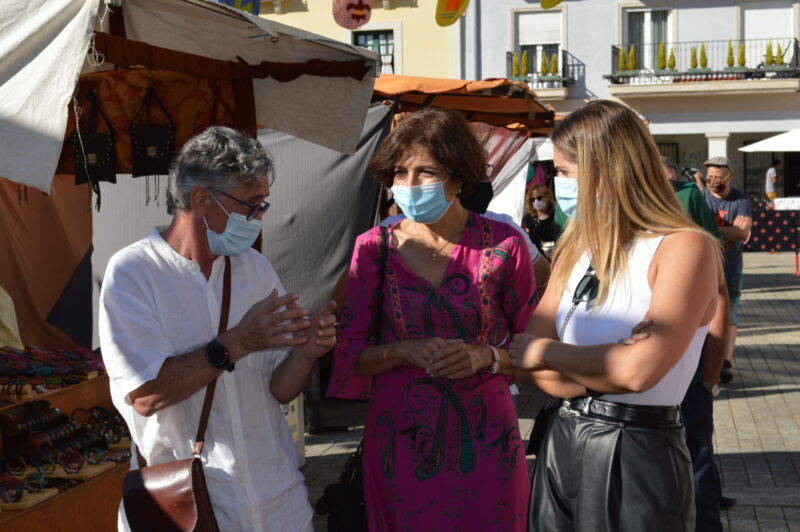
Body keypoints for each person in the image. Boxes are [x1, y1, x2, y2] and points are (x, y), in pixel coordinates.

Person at [99, 127, 337, 531]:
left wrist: (307, 353)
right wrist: (237, 342)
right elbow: (145, 394)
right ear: (201, 199)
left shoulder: (254, 269)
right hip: (190, 504)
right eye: (251, 205)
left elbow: (280, 388)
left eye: (263, 204)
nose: (258, 218)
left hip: (276, 497)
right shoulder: (133, 273)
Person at [509, 100, 722, 531]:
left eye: (566, 172)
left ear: (608, 170)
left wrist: (545, 351)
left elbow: (640, 372)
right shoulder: (575, 245)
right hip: (561, 440)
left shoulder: (684, 247)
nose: (558, 185)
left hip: (637, 451)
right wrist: (604, 365)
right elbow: (521, 360)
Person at [327, 107, 536, 531]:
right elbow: (349, 355)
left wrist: (485, 357)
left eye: (425, 172)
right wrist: (401, 350)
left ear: (459, 176)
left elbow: (534, 349)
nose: (408, 186)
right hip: (399, 443)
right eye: (399, 173)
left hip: (488, 441)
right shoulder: (373, 248)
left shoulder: (505, 245)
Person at [663, 155, 733, 528]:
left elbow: (719, 292)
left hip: (687, 380)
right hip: (628, 390)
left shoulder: (688, 201)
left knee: (696, 462)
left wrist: (710, 375)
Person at [695, 156, 752, 385]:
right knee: (704, 313)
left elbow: (742, 233)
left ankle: (726, 361)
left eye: (719, 178)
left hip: (730, 265)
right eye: (709, 177)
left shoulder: (741, 199)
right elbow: (695, 227)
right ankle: (706, 360)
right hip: (705, 266)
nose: (713, 182)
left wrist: (709, 229)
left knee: (732, 314)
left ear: (729, 177)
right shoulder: (700, 197)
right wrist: (730, 230)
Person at [522, 184, 556, 260]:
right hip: (536, 259)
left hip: (554, 258)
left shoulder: (556, 216)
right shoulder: (528, 218)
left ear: (548, 197)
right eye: (532, 199)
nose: (536, 201)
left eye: (539, 198)